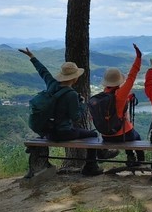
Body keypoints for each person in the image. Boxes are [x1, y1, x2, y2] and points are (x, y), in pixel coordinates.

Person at [18, 47, 103, 176]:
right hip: (64, 133)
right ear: (75, 79)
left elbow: (43, 71)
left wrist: (32, 57)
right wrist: (82, 104)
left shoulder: (52, 84)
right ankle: (91, 166)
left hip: (48, 133)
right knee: (93, 135)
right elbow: (76, 118)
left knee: (87, 134)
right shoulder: (72, 95)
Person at [99, 43, 145, 167]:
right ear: (118, 80)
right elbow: (132, 76)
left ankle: (131, 158)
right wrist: (138, 58)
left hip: (106, 136)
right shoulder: (120, 94)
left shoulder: (101, 96)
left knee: (127, 130)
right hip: (122, 135)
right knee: (134, 135)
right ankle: (139, 160)